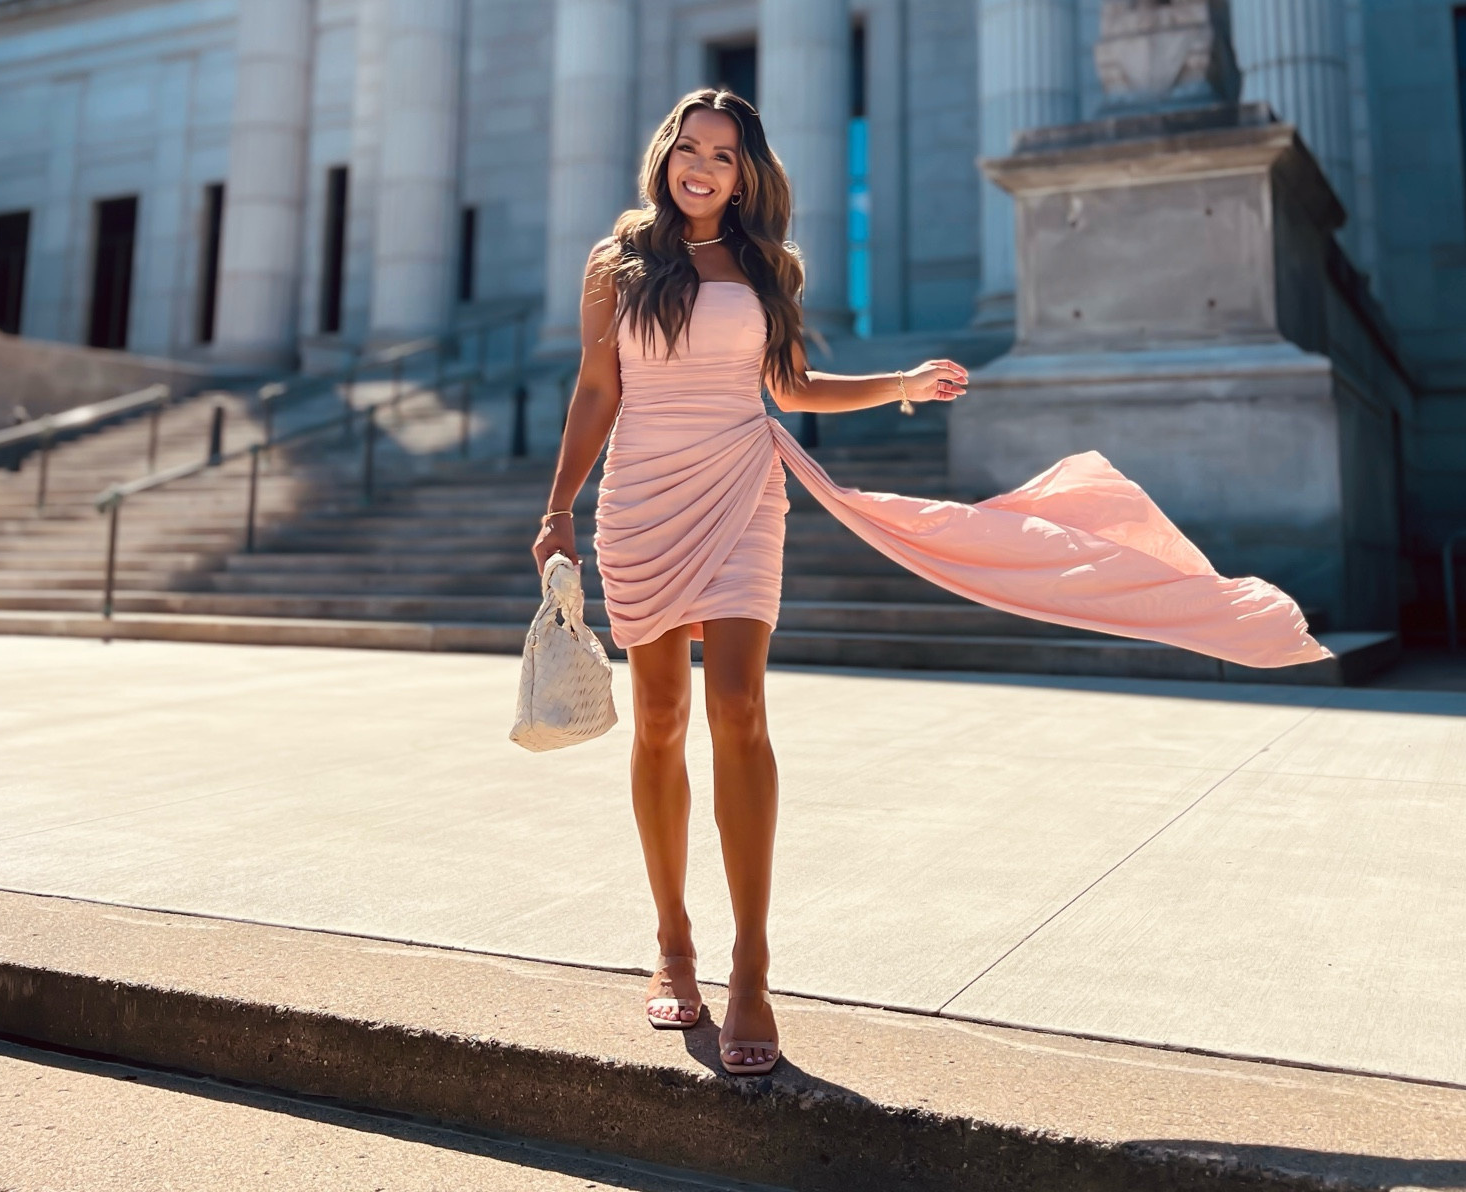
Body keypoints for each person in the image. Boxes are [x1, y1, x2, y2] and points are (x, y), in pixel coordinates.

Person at [532, 87, 1323, 1077]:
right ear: (666, 154)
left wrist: (897, 383)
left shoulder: (767, 268)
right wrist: (560, 503)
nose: (703, 164)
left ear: (747, 173)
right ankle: (673, 943)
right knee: (657, 720)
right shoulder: (618, 264)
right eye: (689, 146)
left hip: (741, 490)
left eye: (724, 154)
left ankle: (751, 969)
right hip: (643, 500)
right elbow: (598, 387)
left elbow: (789, 388)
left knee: (736, 707)